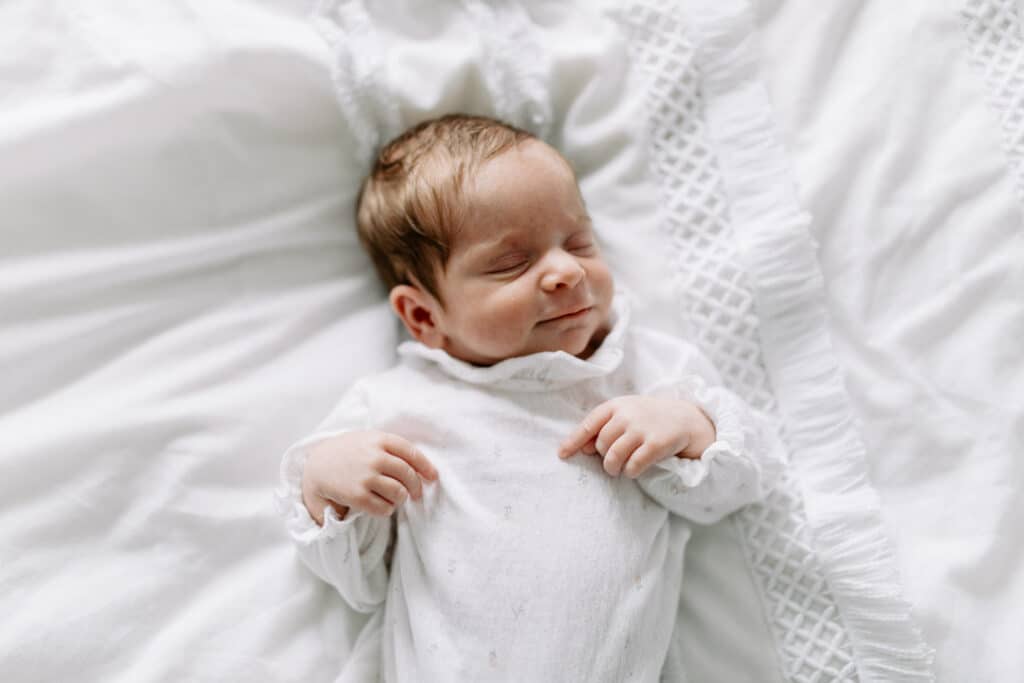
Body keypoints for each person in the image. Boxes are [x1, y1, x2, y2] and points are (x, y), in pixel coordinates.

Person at [275, 113, 786, 682]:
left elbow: (742, 484)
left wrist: (692, 429)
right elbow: (356, 581)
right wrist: (327, 482)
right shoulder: (399, 407)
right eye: (510, 263)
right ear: (423, 315)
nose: (565, 270)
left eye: (579, 242)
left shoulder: (642, 371)